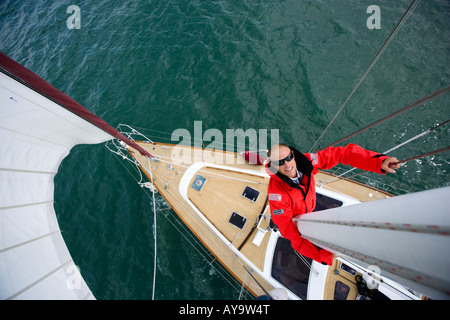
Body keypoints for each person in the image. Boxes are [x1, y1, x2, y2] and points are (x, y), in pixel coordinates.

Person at [266, 143, 400, 266]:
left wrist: (378, 162)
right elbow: (291, 233)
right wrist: (322, 255)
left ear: (293, 155)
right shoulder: (277, 196)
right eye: (279, 162)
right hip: (298, 222)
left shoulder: (307, 162)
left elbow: (341, 154)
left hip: (309, 207)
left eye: (289, 157)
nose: (287, 164)